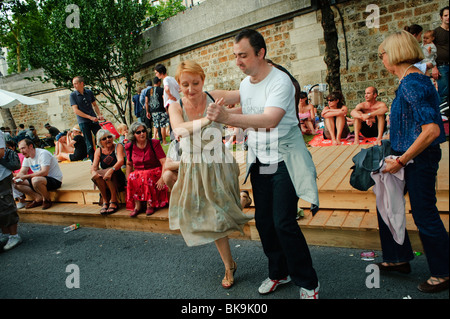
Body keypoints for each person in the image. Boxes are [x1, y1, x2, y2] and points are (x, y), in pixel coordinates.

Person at [206, 29, 320, 299]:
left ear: (261, 53)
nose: (238, 62)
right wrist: (208, 102)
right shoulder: (246, 83)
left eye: (243, 55)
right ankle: (279, 273)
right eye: (235, 56)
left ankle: (309, 282)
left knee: (284, 222)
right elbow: (249, 107)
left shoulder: (281, 82)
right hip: (260, 161)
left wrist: (226, 118)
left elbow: (269, 119)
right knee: (265, 221)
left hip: (285, 160)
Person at [168, 60, 252, 290]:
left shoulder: (214, 96)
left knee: (221, 212)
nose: (191, 89)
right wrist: (209, 118)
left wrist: (231, 113)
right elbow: (179, 129)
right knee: (213, 217)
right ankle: (229, 265)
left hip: (219, 164)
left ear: (203, 80)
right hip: (195, 168)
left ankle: (241, 201)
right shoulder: (175, 106)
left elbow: (247, 92)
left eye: (195, 83)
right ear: (178, 85)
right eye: (185, 84)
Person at [377, 30, 448, 293]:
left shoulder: (412, 83)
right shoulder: (410, 80)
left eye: (382, 53)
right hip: (406, 157)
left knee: (424, 213)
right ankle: (398, 258)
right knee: (386, 206)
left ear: (393, 54)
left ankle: (443, 272)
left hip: (416, 160)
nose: (381, 58)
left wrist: (402, 160)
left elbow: (431, 130)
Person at [125, 122, 168, 217]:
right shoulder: (130, 146)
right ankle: (138, 206)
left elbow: (164, 162)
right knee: (132, 176)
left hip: (154, 170)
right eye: (138, 132)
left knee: (146, 175)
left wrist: (162, 178)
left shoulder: (154, 143)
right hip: (138, 172)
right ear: (133, 135)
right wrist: (128, 178)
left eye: (143, 131)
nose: (142, 134)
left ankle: (150, 204)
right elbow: (129, 164)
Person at [13, 139, 63, 210]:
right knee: (17, 183)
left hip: (54, 180)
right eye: (20, 149)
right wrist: (15, 177)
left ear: (30, 146)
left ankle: (47, 199)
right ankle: (38, 198)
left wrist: (26, 176)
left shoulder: (43, 153)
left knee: (35, 180)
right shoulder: (27, 157)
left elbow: (44, 172)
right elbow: (22, 172)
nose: (21, 151)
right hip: (39, 180)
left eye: (23, 148)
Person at [91, 129, 126, 215]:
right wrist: (93, 172)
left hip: (117, 175)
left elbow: (121, 161)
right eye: (104, 139)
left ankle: (114, 201)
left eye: (109, 137)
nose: (107, 139)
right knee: (97, 176)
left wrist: (111, 170)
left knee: (108, 175)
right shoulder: (99, 150)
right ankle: (105, 201)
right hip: (105, 177)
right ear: (100, 142)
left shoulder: (118, 146)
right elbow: (94, 166)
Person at [70, 76, 104, 162]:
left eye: (76, 83)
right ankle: (94, 162)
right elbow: (76, 110)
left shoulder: (89, 92)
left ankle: (103, 157)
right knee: (89, 142)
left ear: (81, 83)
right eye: (73, 84)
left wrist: (99, 114)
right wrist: (90, 117)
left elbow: (95, 105)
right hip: (83, 121)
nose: (74, 85)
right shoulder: (73, 95)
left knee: (101, 137)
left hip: (93, 119)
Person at [0, 130, 22, 251]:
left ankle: (14, 235)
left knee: (6, 206)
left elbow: (0, 152)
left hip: (1, 176)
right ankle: (5, 234)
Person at [154, 63, 180, 143]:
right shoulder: (172, 78)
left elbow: (166, 88)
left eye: (156, 72)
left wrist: (170, 95)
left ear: (160, 72)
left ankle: (174, 139)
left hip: (171, 103)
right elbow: (179, 88)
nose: (156, 74)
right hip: (176, 102)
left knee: (172, 122)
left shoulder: (165, 80)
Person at [432, 6, 449, 104]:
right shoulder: (436, 33)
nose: (448, 17)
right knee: (444, 93)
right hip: (442, 66)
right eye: (446, 15)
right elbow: (430, 52)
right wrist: (434, 67)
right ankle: (443, 117)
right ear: (441, 18)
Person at [145, 77, 169, 145]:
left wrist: (147, 111)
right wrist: (166, 109)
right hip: (161, 110)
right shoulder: (161, 89)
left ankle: (154, 140)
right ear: (159, 82)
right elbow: (164, 99)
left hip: (153, 111)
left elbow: (146, 102)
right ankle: (164, 141)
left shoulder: (149, 91)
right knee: (162, 126)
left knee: (155, 126)